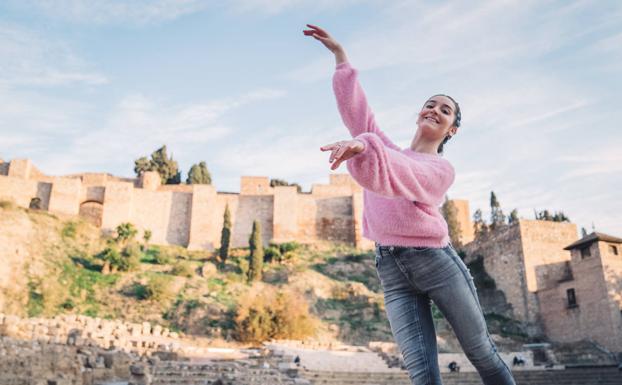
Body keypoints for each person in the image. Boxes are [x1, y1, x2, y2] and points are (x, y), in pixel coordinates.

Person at [304, 24, 517, 385]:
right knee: (421, 374)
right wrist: (341, 59)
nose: (435, 109)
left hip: (435, 263)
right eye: (430, 104)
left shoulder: (441, 169)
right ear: (419, 114)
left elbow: (399, 171)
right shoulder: (387, 151)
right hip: (390, 269)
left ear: (452, 130)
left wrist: (366, 145)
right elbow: (360, 116)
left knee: (481, 351)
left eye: (445, 110)